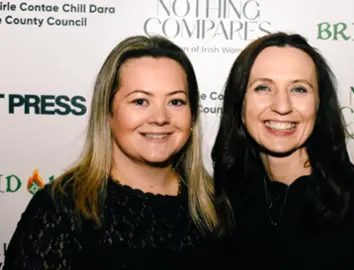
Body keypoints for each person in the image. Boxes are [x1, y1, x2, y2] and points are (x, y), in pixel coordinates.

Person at [4, 35, 227, 269]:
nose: (160, 118)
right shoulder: (62, 209)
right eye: (140, 101)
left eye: (176, 102)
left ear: (192, 116)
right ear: (108, 113)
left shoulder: (217, 207)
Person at [211, 32, 354, 269]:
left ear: (319, 104)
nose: (282, 106)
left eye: (299, 89)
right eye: (263, 88)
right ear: (239, 104)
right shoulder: (223, 202)